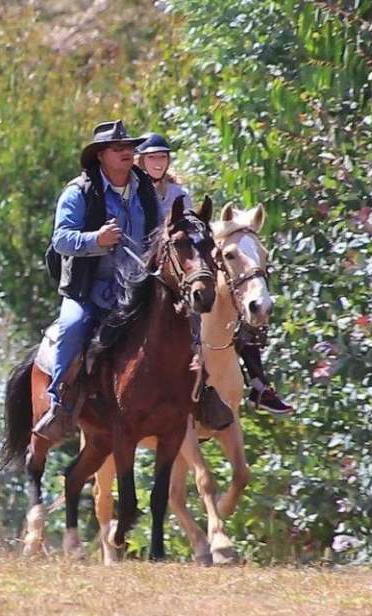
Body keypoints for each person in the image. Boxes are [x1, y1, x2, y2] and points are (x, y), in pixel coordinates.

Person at [33, 121, 232, 442]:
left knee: (187, 321)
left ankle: (203, 392)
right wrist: (96, 239)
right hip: (89, 291)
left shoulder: (143, 189)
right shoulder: (78, 192)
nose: (128, 153)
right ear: (101, 156)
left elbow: (158, 235)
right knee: (72, 326)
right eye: (118, 148)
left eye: (129, 147)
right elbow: (61, 239)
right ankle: (59, 404)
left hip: (138, 288)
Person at [135, 133, 293, 416]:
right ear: (142, 161)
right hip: (146, 267)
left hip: (181, 265)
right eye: (152, 157)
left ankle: (259, 384)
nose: (158, 162)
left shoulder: (179, 194)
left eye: (162, 157)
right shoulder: (132, 193)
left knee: (231, 305)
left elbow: (193, 228)